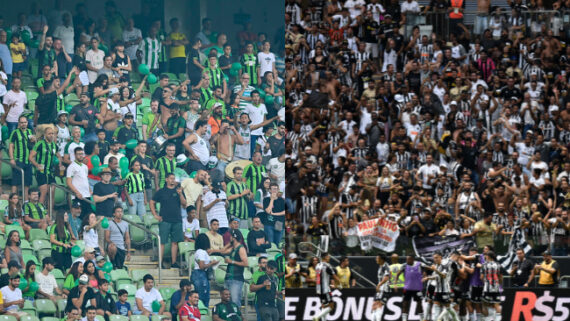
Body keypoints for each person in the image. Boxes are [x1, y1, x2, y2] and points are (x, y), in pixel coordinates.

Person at [150, 173, 186, 269]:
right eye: (171, 178)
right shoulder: (161, 191)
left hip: (177, 219)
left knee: (175, 242)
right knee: (162, 242)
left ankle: (173, 262)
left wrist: (180, 194)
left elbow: (184, 204)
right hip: (165, 219)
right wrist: (155, 215)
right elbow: (152, 202)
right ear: (166, 179)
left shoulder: (179, 191)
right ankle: (160, 262)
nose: (172, 180)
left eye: (174, 179)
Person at [92, 167, 117, 255]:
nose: (107, 176)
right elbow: (95, 199)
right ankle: (100, 256)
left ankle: (107, 256)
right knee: (101, 237)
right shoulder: (97, 186)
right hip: (101, 215)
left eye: (109, 174)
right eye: (105, 174)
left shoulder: (112, 186)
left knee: (108, 237)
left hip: (110, 215)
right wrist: (108, 196)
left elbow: (114, 201)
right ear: (102, 176)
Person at [9, 115, 34, 197]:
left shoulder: (30, 132)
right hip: (18, 160)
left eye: (25, 122)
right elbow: (11, 146)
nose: (23, 124)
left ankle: (25, 201)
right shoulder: (15, 132)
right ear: (19, 123)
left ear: (27, 123)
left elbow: (33, 146)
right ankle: (13, 200)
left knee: (27, 184)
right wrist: (12, 159)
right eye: (22, 122)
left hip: (28, 161)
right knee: (15, 182)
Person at [191, 233, 218, 307]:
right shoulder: (201, 252)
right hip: (200, 274)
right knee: (203, 297)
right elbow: (201, 266)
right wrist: (212, 263)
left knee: (204, 296)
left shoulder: (200, 252)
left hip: (200, 274)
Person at [224, 229, 248, 307]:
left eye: (231, 236)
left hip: (236, 279)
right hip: (228, 278)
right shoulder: (232, 248)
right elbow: (222, 250)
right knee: (227, 302)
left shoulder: (241, 248)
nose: (229, 237)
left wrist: (232, 262)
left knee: (235, 302)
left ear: (234, 237)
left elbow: (246, 263)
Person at [396, 255, 425, 321]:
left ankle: (422, 319)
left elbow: (426, 270)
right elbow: (398, 274)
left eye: (408, 259)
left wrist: (425, 276)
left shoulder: (419, 264)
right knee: (405, 304)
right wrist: (395, 284)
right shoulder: (404, 265)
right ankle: (404, 319)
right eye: (406, 259)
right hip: (407, 289)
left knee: (419, 304)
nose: (407, 260)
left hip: (417, 289)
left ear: (412, 259)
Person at [66, 147, 91, 217]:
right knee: (79, 217)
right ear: (74, 155)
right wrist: (77, 193)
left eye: (82, 154)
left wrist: (89, 189)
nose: (81, 156)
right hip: (78, 196)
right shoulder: (71, 167)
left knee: (87, 217)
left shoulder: (85, 166)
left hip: (87, 195)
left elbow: (85, 179)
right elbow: (68, 182)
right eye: (79, 154)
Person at [480, 251, 502, 321]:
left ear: (488, 256)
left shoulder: (484, 265)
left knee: (485, 303)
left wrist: (485, 282)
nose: (485, 257)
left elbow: (481, 277)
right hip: (496, 286)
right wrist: (498, 283)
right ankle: (498, 319)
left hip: (487, 287)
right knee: (496, 304)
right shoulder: (498, 265)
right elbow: (500, 276)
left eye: (485, 255)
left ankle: (488, 319)